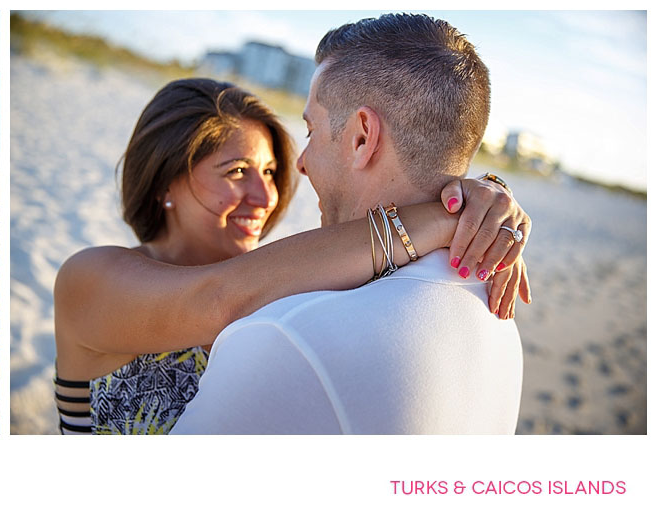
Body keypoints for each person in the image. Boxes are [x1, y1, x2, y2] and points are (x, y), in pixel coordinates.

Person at [53, 77, 530, 434]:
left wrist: (482, 214)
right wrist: (444, 218)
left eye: (269, 171)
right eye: (236, 171)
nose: (266, 196)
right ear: (164, 180)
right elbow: (214, 301)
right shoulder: (88, 278)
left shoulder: (277, 277)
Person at [171, 14, 526, 434]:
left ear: (362, 137)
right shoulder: (497, 311)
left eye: (311, 130)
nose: (301, 163)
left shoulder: (288, 336)